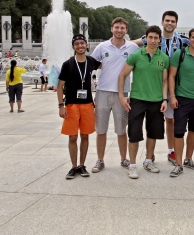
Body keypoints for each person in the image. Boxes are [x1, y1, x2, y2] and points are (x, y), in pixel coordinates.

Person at [133, 11, 190, 166]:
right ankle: (150, 155)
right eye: (167, 20)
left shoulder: (183, 41)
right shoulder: (152, 38)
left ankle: (171, 150)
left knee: (170, 119)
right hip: (154, 86)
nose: (169, 23)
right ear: (162, 22)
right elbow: (133, 43)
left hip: (174, 85)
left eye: (172, 21)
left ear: (176, 24)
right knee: (154, 122)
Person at [119, 25, 169, 179]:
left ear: (159, 39)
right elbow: (122, 75)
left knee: (152, 133)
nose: (153, 40)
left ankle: (148, 160)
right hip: (138, 99)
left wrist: (165, 99)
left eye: (156, 37)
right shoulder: (136, 55)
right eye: (150, 37)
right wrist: (121, 96)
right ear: (145, 38)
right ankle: (132, 165)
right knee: (134, 133)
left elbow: (165, 80)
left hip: (155, 100)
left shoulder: (164, 58)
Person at [90, 17, 139, 173]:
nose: (119, 30)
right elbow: (92, 63)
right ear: (111, 28)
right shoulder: (102, 47)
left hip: (122, 94)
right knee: (101, 129)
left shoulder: (132, 48)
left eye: (122, 28)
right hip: (103, 91)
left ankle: (124, 158)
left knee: (121, 129)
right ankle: (100, 160)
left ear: (126, 30)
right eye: (117, 27)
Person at [57, 34, 101, 180]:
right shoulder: (68, 64)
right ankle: (73, 166)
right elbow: (60, 86)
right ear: (73, 47)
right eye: (77, 44)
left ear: (86, 45)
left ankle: (82, 165)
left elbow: (108, 64)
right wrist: (60, 106)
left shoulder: (91, 61)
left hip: (87, 104)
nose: (80, 46)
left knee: (85, 135)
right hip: (71, 104)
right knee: (72, 136)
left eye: (82, 43)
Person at [167, 28, 194, 177]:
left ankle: (188, 159)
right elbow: (171, 76)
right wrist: (172, 96)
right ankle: (178, 164)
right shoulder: (180, 53)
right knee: (179, 132)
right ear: (189, 39)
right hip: (182, 98)